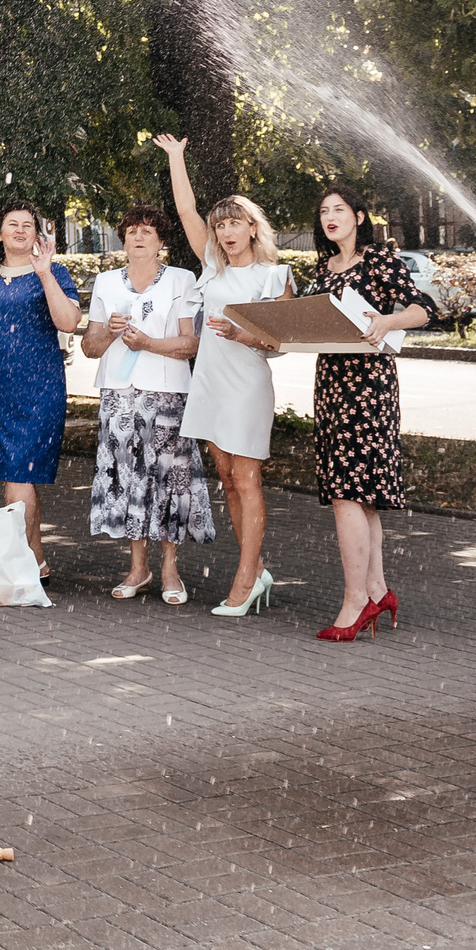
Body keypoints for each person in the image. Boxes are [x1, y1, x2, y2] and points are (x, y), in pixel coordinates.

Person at [157, 133, 291, 617]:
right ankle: (253, 570)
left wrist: (242, 334)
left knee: (247, 476)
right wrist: (177, 159)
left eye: (236, 223)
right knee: (226, 477)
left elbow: (280, 344)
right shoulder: (212, 268)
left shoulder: (274, 277)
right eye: (222, 226)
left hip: (248, 381)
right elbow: (186, 210)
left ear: (253, 228)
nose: (227, 232)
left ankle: (246, 577)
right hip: (210, 381)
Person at [306, 183, 435, 640]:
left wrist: (387, 321)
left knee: (347, 491)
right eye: (324, 211)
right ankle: (377, 590)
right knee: (358, 495)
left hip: (368, 384)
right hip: (331, 382)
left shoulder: (379, 259)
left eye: (338, 209)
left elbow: (424, 310)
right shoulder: (323, 267)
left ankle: (355, 601)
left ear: (359, 216)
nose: (330, 217)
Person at [81, 205, 210, 603]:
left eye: (148, 232)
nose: (139, 237)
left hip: (167, 394)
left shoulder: (181, 280)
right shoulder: (105, 282)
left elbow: (192, 343)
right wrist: (108, 332)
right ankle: (139, 568)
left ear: (161, 241)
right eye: (132, 230)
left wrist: (149, 344)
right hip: (119, 395)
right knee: (127, 478)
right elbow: (89, 347)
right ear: (123, 238)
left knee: (170, 480)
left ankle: (171, 570)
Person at [0, 202, 83, 580]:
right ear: (0, 233)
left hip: (39, 385)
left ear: (38, 235)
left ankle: (26, 562)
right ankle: (35, 558)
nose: (21, 230)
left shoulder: (54, 271)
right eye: (13, 224)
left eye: (29, 225)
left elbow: (69, 323)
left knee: (18, 472)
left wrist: (43, 275)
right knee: (16, 474)